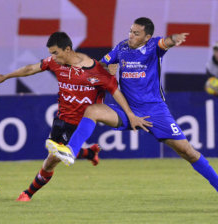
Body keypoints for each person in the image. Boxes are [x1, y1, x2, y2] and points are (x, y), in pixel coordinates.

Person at [48, 17, 218, 192]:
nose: (131, 36)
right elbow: (99, 67)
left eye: (136, 33)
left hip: (155, 111)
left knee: (188, 152)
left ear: (147, 37)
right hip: (128, 110)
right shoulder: (121, 48)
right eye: (130, 31)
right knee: (92, 110)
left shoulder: (153, 47)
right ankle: (70, 150)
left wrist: (174, 39)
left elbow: (166, 42)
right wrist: (107, 69)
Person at [0, 32, 152, 201]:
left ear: (67, 49)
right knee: (54, 155)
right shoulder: (55, 63)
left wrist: (130, 115)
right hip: (61, 119)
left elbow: (115, 92)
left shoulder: (94, 70)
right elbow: (31, 68)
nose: (52, 57)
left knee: (51, 160)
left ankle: (27, 193)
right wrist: (6, 77)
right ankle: (89, 153)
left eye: (55, 52)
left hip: (81, 123)